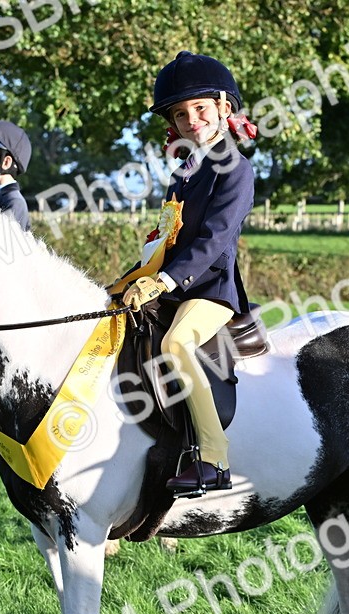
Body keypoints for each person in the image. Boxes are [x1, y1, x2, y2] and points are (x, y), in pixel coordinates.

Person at [122, 51, 257, 496]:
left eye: (199, 108)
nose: (190, 119)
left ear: (223, 107)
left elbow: (213, 240)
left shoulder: (235, 169)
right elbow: (168, 238)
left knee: (176, 343)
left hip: (211, 290)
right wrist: (135, 277)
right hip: (171, 284)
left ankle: (213, 460)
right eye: (181, 113)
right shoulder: (182, 174)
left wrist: (163, 281)